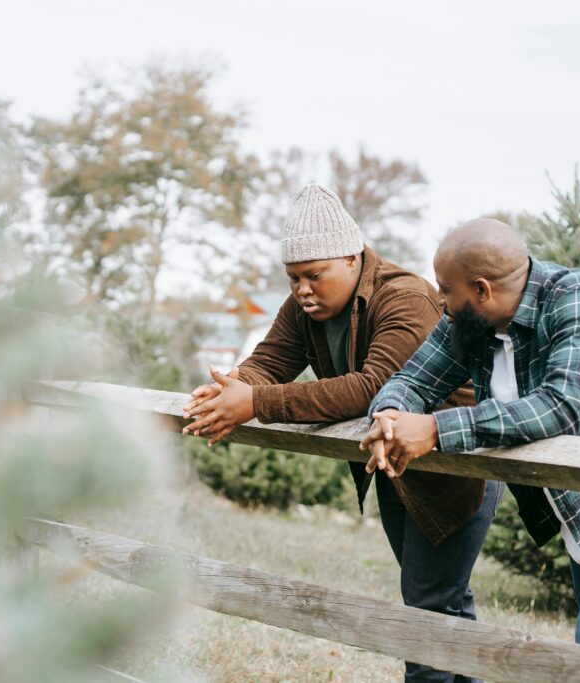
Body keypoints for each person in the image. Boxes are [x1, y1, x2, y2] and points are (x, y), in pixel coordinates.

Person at [183, 184, 503, 683]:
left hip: (454, 470)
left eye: (315, 275)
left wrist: (256, 403)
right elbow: (270, 361)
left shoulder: (406, 297)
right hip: (398, 469)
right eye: (293, 278)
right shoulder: (303, 308)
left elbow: (374, 387)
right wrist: (232, 389)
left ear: (353, 259)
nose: (302, 289)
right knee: (441, 607)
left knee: (425, 614)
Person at [361, 218, 580, 660]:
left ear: (482, 290)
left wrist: (435, 429)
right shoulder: (471, 323)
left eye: (447, 291)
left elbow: (562, 406)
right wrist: (389, 415)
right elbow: (412, 379)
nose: (441, 303)